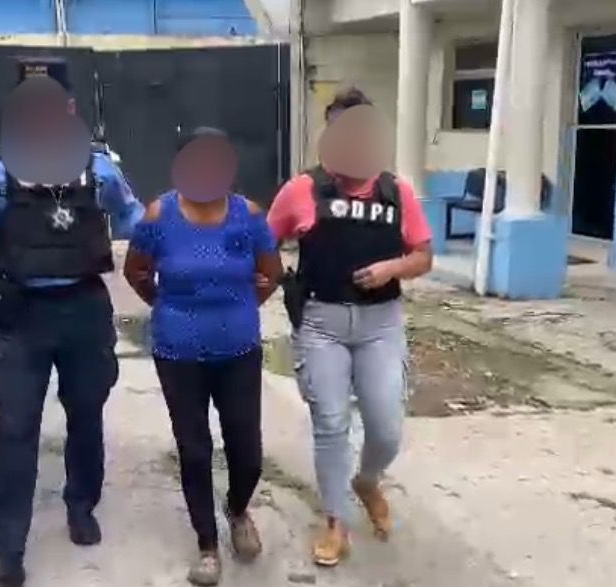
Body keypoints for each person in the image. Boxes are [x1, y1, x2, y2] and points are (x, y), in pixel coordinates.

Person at [0, 57, 144, 586]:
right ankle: (5, 551)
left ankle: (81, 505)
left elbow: (132, 217)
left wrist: (176, 237)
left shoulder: (99, 166)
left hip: (84, 309)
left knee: (86, 414)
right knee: (15, 428)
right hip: (21, 314)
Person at [266, 87, 434, 567]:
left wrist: (391, 269)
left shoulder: (396, 192)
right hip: (322, 324)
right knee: (331, 424)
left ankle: (367, 480)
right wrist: (278, 281)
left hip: (381, 324)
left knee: (386, 427)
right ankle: (336, 522)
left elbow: (423, 256)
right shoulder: (303, 190)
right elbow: (264, 240)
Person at [123, 127, 282, 586]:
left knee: (247, 452)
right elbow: (136, 271)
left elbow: (270, 274)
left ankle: (237, 510)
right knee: (194, 450)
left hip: (239, 351)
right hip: (178, 352)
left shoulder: (249, 214)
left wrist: (239, 307)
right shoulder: (160, 214)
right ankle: (207, 545)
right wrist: (168, 306)